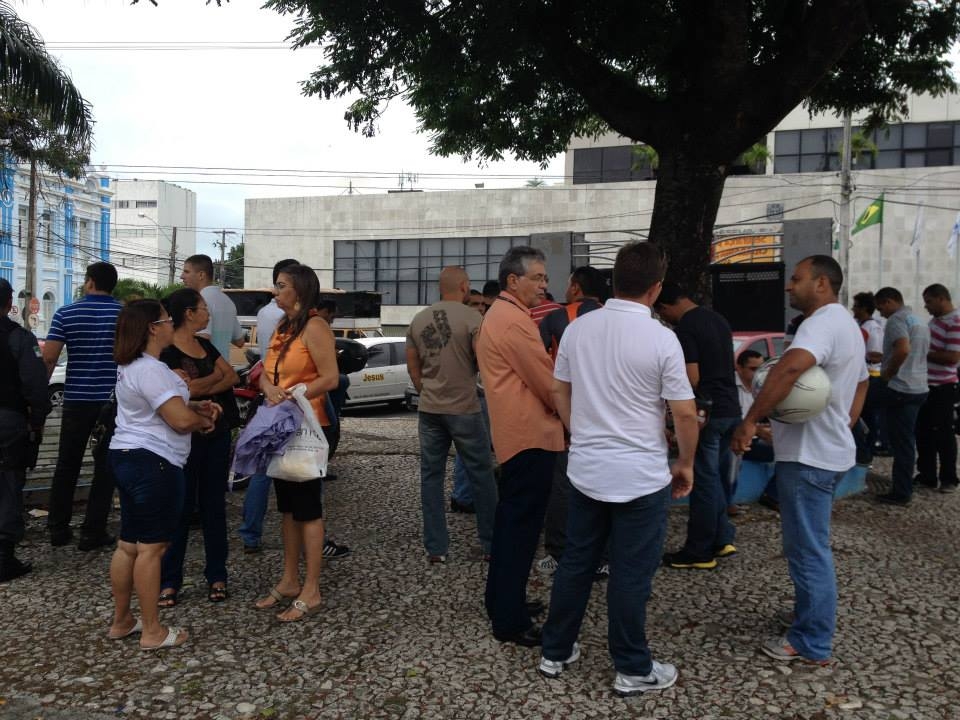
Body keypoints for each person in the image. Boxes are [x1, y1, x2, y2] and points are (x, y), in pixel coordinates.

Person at [538, 242, 697, 696]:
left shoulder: (578, 329)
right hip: (640, 476)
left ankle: (555, 651)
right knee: (630, 573)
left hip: (587, 470)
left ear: (613, 281)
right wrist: (685, 463)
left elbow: (559, 390)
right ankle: (632, 667)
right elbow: (684, 413)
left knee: (576, 562)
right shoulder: (662, 338)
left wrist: (579, 430)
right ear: (656, 288)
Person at [733, 255, 868, 665]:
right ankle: (809, 618)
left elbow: (791, 368)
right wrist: (844, 421)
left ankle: (811, 640)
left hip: (809, 457)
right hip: (826, 452)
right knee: (810, 545)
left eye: (797, 278)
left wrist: (751, 420)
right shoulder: (846, 324)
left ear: (822, 283)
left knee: (807, 550)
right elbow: (862, 382)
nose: (789, 286)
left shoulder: (820, 323)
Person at [107, 299, 220, 650]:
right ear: (153, 329)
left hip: (126, 455)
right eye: (167, 320)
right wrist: (202, 420)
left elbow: (157, 407)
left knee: (129, 545)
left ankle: (122, 620)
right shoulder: (152, 370)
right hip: (154, 462)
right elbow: (179, 420)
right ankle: (152, 630)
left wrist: (193, 405)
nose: (172, 324)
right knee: (152, 548)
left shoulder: (132, 366)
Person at [476, 246, 565, 646]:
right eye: (538, 277)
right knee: (521, 532)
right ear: (513, 280)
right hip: (530, 437)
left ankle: (502, 602)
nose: (544, 285)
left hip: (518, 435)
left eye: (545, 278)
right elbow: (548, 384)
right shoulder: (513, 320)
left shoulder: (502, 314)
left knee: (512, 527)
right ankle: (509, 620)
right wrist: (574, 421)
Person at [254, 264, 339, 622]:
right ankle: (290, 579)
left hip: (305, 427)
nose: (275, 291)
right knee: (287, 509)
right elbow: (265, 373)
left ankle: (312, 588)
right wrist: (269, 389)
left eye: (281, 286)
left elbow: (331, 378)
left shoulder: (315, 327)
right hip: (280, 426)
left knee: (308, 511)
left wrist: (293, 394)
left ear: (300, 291)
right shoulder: (283, 325)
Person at [406, 266, 498, 562]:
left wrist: (426, 390)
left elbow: (413, 369)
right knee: (481, 475)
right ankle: (491, 543)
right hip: (465, 408)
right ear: (464, 286)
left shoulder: (418, 320)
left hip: (430, 409)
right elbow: (485, 362)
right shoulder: (473, 319)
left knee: (431, 478)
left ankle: (436, 549)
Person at [157, 289, 239, 606]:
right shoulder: (166, 353)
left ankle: (217, 575)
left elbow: (230, 377)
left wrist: (197, 387)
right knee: (179, 507)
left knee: (213, 507)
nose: (208, 313)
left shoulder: (205, 344)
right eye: (203, 308)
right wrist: (207, 383)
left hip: (217, 434)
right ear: (189, 313)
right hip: (183, 438)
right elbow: (180, 391)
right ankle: (169, 581)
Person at [655, 282, 740, 570]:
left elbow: (692, 377)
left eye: (662, 314)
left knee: (702, 482)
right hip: (730, 408)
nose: (665, 320)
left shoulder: (686, 328)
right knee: (714, 478)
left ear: (664, 307)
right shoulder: (717, 319)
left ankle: (699, 551)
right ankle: (723, 538)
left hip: (708, 413)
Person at [44, 261, 122, 550]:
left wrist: (38, 398)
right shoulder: (124, 315)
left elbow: (50, 358)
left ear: (90, 282)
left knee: (67, 463)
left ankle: (58, 528)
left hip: (76, 399)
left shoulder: (66, 313)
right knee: (105, 467)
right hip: (112, 402)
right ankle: (93, 531)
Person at [536, 266, 604, 575]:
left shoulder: (556, 318)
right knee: (605, 483)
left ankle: (559, 552)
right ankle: (604, 558)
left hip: (567, 410)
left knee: (562, 482)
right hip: (609, 415)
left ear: (575, 288)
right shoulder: (615, 319)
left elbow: (539, 364)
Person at [239, 258, 298, 554]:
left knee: (262, 471)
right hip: (291, 398)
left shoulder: (264, 313)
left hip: (268, 395)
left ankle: (251, 534)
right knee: (306, 471)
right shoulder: (290, 318)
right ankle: (311, 535)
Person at [0, 280, 51, 581]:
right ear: (9, 304)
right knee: (8, 484)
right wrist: (38, 419)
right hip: (8, 420)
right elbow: (35, 384)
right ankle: (3, 557)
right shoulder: (18, 338)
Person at [874, 287, 930, 506]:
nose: (881, 314)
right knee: (907, 440)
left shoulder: (897, 320)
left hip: (901, 387)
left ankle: (901, 491)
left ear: (889, 301)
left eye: (881, 308)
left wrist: (888, 373)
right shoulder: (918, 319)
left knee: (901, 442)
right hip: (919, 386)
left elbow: (903, 349)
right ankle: (903, 486)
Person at [915, 283, 960, 493]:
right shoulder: (935, 321)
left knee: (943, 434)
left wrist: (922, 352)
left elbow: (952, 357)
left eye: (929, 302)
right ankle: (927, 475)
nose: (926, 306)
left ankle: (949, 478)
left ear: (941, 298)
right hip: (926, 384)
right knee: (923, 432)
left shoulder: (955, 322)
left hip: (943, 386)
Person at [180, 254, 244, 361]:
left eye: (186, 272)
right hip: (225, 367)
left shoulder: (199, 301)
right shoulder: (228, 301)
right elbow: (240, 341)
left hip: (207, 368)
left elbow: (203, 339)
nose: (182, 276)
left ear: (201, 275)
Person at [852, 292, 888, 455]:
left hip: (872, 375)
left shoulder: (873, 328)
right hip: (863, 375)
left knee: (868, 413)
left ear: (864, 308)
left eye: (856, 306)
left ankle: (872, 444)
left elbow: (878, 353)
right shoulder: (860, 326)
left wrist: (862, 357)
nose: (853, 309)